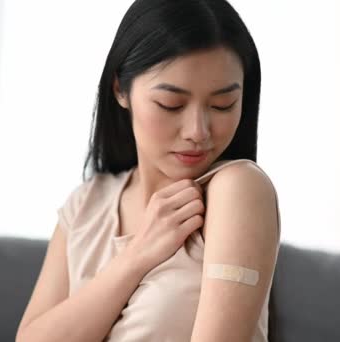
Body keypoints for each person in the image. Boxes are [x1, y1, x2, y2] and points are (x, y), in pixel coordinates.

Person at [16, 0, 281, 341]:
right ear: (120, 89)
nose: (197, 132)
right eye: (171, 104)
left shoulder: (237, 189)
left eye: (222, 105)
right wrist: (138, 254)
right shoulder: (85, 205)